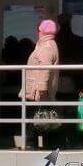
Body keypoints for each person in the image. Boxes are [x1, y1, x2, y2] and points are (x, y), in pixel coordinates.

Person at [20, 19, 60, 149]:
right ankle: (40, 144)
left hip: (38, 90)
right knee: (39, 116)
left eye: (39, 30)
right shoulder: (45, 44)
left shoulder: (46, 46)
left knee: (35, 117)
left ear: (41, 31)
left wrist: (42, 88)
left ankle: (31, 144)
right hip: (37, 89)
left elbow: (45, 68)